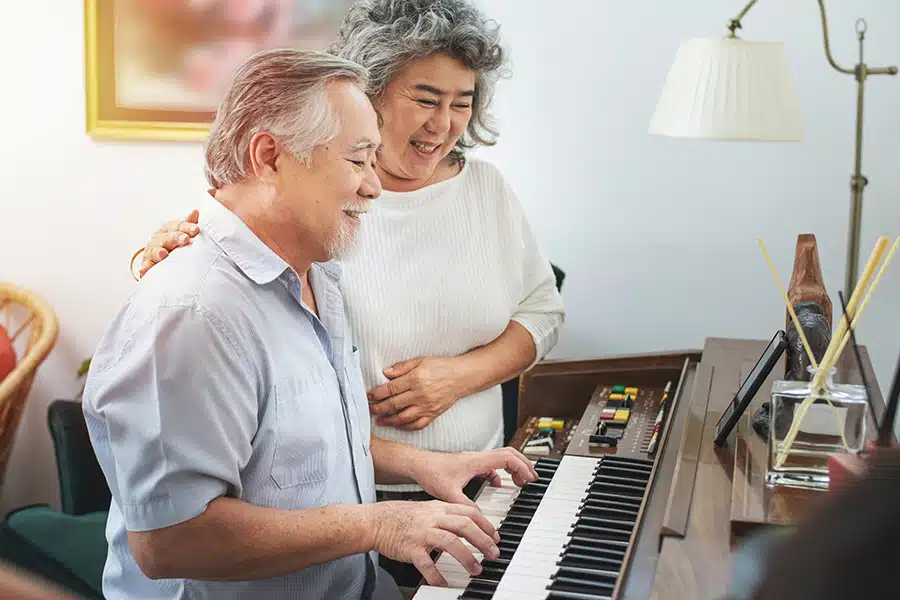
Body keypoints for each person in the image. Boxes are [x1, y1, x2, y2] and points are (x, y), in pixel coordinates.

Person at [135, 0, 563, 584]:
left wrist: (459, 382)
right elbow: (173, 535)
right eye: (425, 99)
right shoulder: (303, 232)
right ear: (370, 93)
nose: (445, 123)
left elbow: (541, 309)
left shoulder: (341, 250)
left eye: (462, 103)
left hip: (446, 494)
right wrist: (168, 262)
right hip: (345, 517)